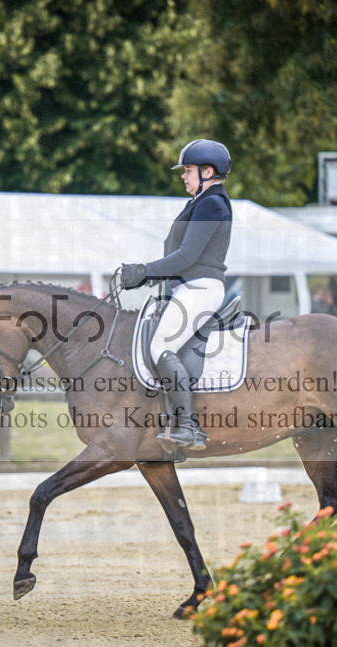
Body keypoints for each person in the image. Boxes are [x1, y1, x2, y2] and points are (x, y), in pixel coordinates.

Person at [120, 139, 232, 455]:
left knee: (161, 346)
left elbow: (186, 256)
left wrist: (144, 271)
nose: (183, 176)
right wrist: (146, 277)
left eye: (188, 170)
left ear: (208, 171)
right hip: (189, 287)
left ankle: (188, 426)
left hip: (201, 287)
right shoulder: (202, 201)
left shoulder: (212, 204)